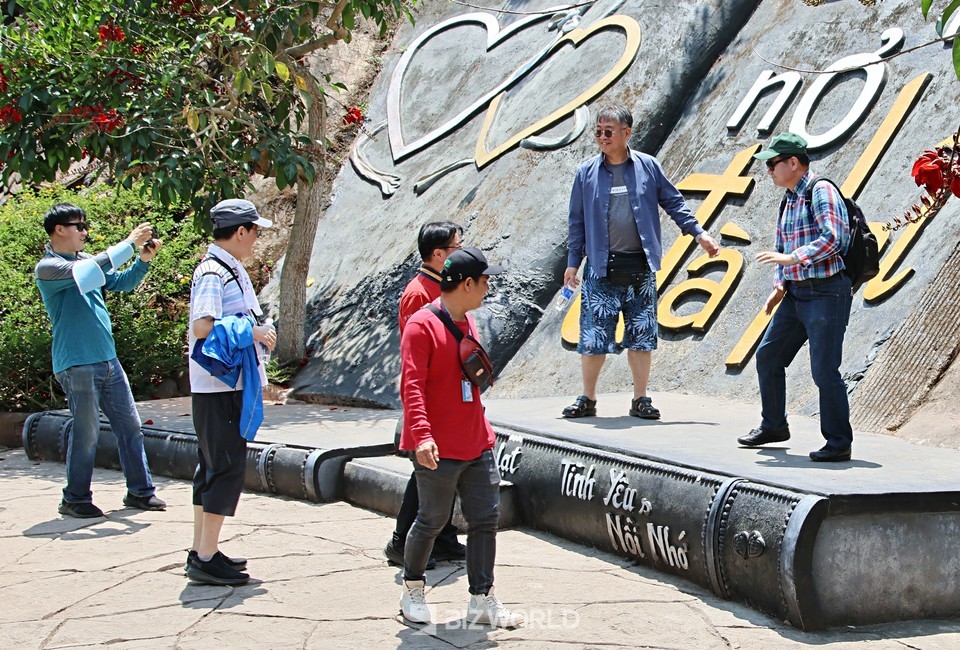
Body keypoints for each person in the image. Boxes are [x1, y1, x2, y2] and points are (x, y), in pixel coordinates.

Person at [562, 105, 720, 420]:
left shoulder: (648, 167)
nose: (602, 137)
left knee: (642, 335)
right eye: (598, 131)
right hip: (599, 269)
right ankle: (588, 398)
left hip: (641, 269)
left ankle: (640, 399)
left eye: (608, 131)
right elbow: (576, 221)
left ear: (626, 133)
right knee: (594, 337)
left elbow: (674, 202)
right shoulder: (586, 173)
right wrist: (572, 262)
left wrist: (699, 234)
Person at [397, 247, 523, 628]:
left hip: (475, 440)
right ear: (467, 283)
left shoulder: (468, 321)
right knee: (431, 520)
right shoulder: (422, 325)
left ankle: (482, 599)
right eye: (485, 281)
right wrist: (421, 437)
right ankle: (413, 588)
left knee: (486, 519)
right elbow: (412, 386)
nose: (488, 288)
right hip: (437, 445)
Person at [35, 203, 166, 519]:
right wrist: (129, 243)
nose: (84, 232)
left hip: (108, 359)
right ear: (58, 230)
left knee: (130, 426)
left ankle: (140, 492)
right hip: (77, 362)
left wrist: (142, 260)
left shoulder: (84, 261)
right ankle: (75, 498)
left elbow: (121, 281)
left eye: (84, 225)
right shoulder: (49, 268)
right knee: (87, 432)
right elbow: (89, 272)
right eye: (78, 226)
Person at [737, 133, 854, 462]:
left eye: (773, 164)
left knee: (824, 369)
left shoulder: (820, 191)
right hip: (795, 294)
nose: (769, 171)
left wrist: (795, 259)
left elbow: (836, 238)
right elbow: (782, 249)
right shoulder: (788, 198)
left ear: (793, 163)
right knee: (769, 356)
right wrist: (780, 284)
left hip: (826, 292)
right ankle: (774, 425)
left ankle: (838, 442)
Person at [186, 199, 276, 585]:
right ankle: (205, 557)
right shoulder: (213, 272)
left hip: (223, 387)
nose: (256, 238)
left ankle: (202, 550)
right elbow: (202, 327)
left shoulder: (225, 267)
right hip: (219, 389)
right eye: (255, 231)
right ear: (240, 231)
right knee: (224, 468)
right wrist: (251, 332)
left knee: (212, 467)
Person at [384, 222, 467, 570]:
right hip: (430, 394)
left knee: (447, 469)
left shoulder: (439, 286)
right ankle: (402, 542)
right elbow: (415, 352)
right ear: (438, 255)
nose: (459, 253)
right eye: (455, 248)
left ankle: (443, 538)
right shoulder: (419, 293)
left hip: (448, 392)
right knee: (427, 472)